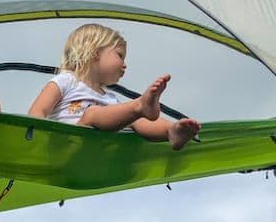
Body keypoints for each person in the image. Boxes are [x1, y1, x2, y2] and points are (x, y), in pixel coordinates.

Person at [27, 23, 200, 149]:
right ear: (94, 53)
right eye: (120, 55)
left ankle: (170, 130)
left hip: (101, 149)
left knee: (135, 119)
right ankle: (140, 105)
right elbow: (37, 112)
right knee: (93, 112)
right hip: (70, 143)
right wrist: (39, 142)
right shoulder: (66, 80)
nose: (125, 65)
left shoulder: (109, 98)